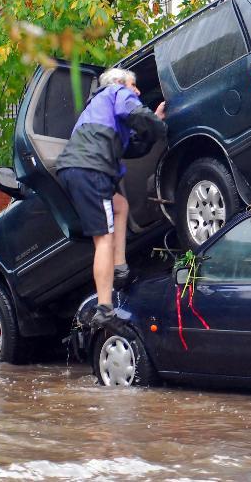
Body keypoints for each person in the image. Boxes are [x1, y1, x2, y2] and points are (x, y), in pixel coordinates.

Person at [55, 68, 167, 326]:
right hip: (92, 169)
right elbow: (137, 113)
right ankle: (104, 307)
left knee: (120, 205)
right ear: (119, 83)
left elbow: (134, 147)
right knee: (103, 238)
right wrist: (158, 124)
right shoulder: (115, 91)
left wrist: (154, 121)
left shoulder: (99, 110)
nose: (137, 91)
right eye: (134, 85)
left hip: (77, 169)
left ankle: (119, 267)